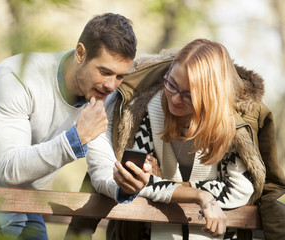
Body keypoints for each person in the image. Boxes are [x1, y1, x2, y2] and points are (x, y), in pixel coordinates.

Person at [0, 13, 137, 239]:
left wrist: (123, 184)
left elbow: (101, 165)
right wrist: (74, 140)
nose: (110, 85)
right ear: (80, 53)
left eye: (119, 76)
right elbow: (10, 167)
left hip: (17, 201)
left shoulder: (106, 95)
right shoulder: (18, 78)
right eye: (104, 72)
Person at [84, 38, 285, 239]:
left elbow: (239, 190)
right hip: (156, 233)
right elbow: (138, 181)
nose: (175, 99)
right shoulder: (147, 111)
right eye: (171, 84)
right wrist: (200, 196)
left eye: (189, 95)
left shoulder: (233, 125)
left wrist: (169, 185)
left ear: (211, 97)